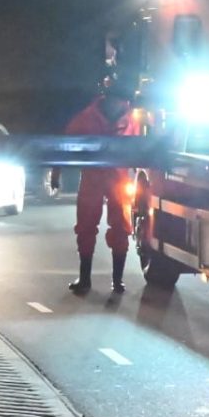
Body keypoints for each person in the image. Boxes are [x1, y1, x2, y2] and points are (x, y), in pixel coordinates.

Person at [65, 77, 142, 295]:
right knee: (86, 227)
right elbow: (65, 144)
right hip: (93, 178)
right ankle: (85, 279)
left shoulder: (131, 120)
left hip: (119, 179)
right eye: (118, 100)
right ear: (108, 98)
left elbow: (139, 150)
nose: (121, 104)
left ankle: (117, 281)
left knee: (121, 228)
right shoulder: (86, 118)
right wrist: (56, 172)